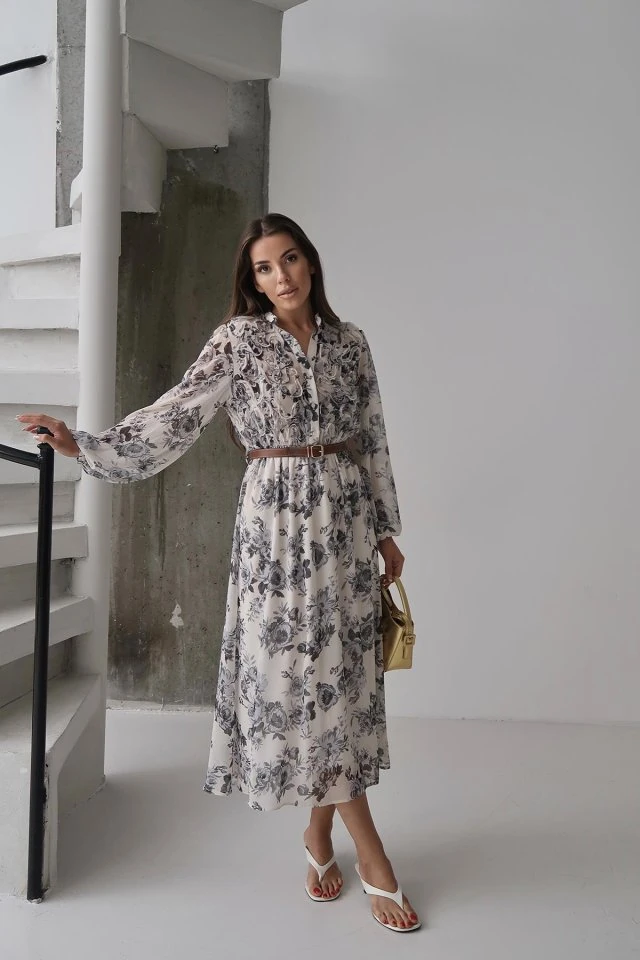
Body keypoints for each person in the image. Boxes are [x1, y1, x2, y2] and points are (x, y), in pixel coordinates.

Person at [16, 213, 421, 933]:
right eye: (265, 268)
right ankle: (374, 855)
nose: (281, 276)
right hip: (275, 528)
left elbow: (373, 437)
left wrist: (386, 529)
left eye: (289, 259)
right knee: (303, 682)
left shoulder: (350, 344)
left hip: (346, 521)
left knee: (342, 683)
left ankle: (318, 834)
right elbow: (175, 415)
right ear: (252, 281)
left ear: (310, 262)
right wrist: (85, 445)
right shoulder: (239, 341)